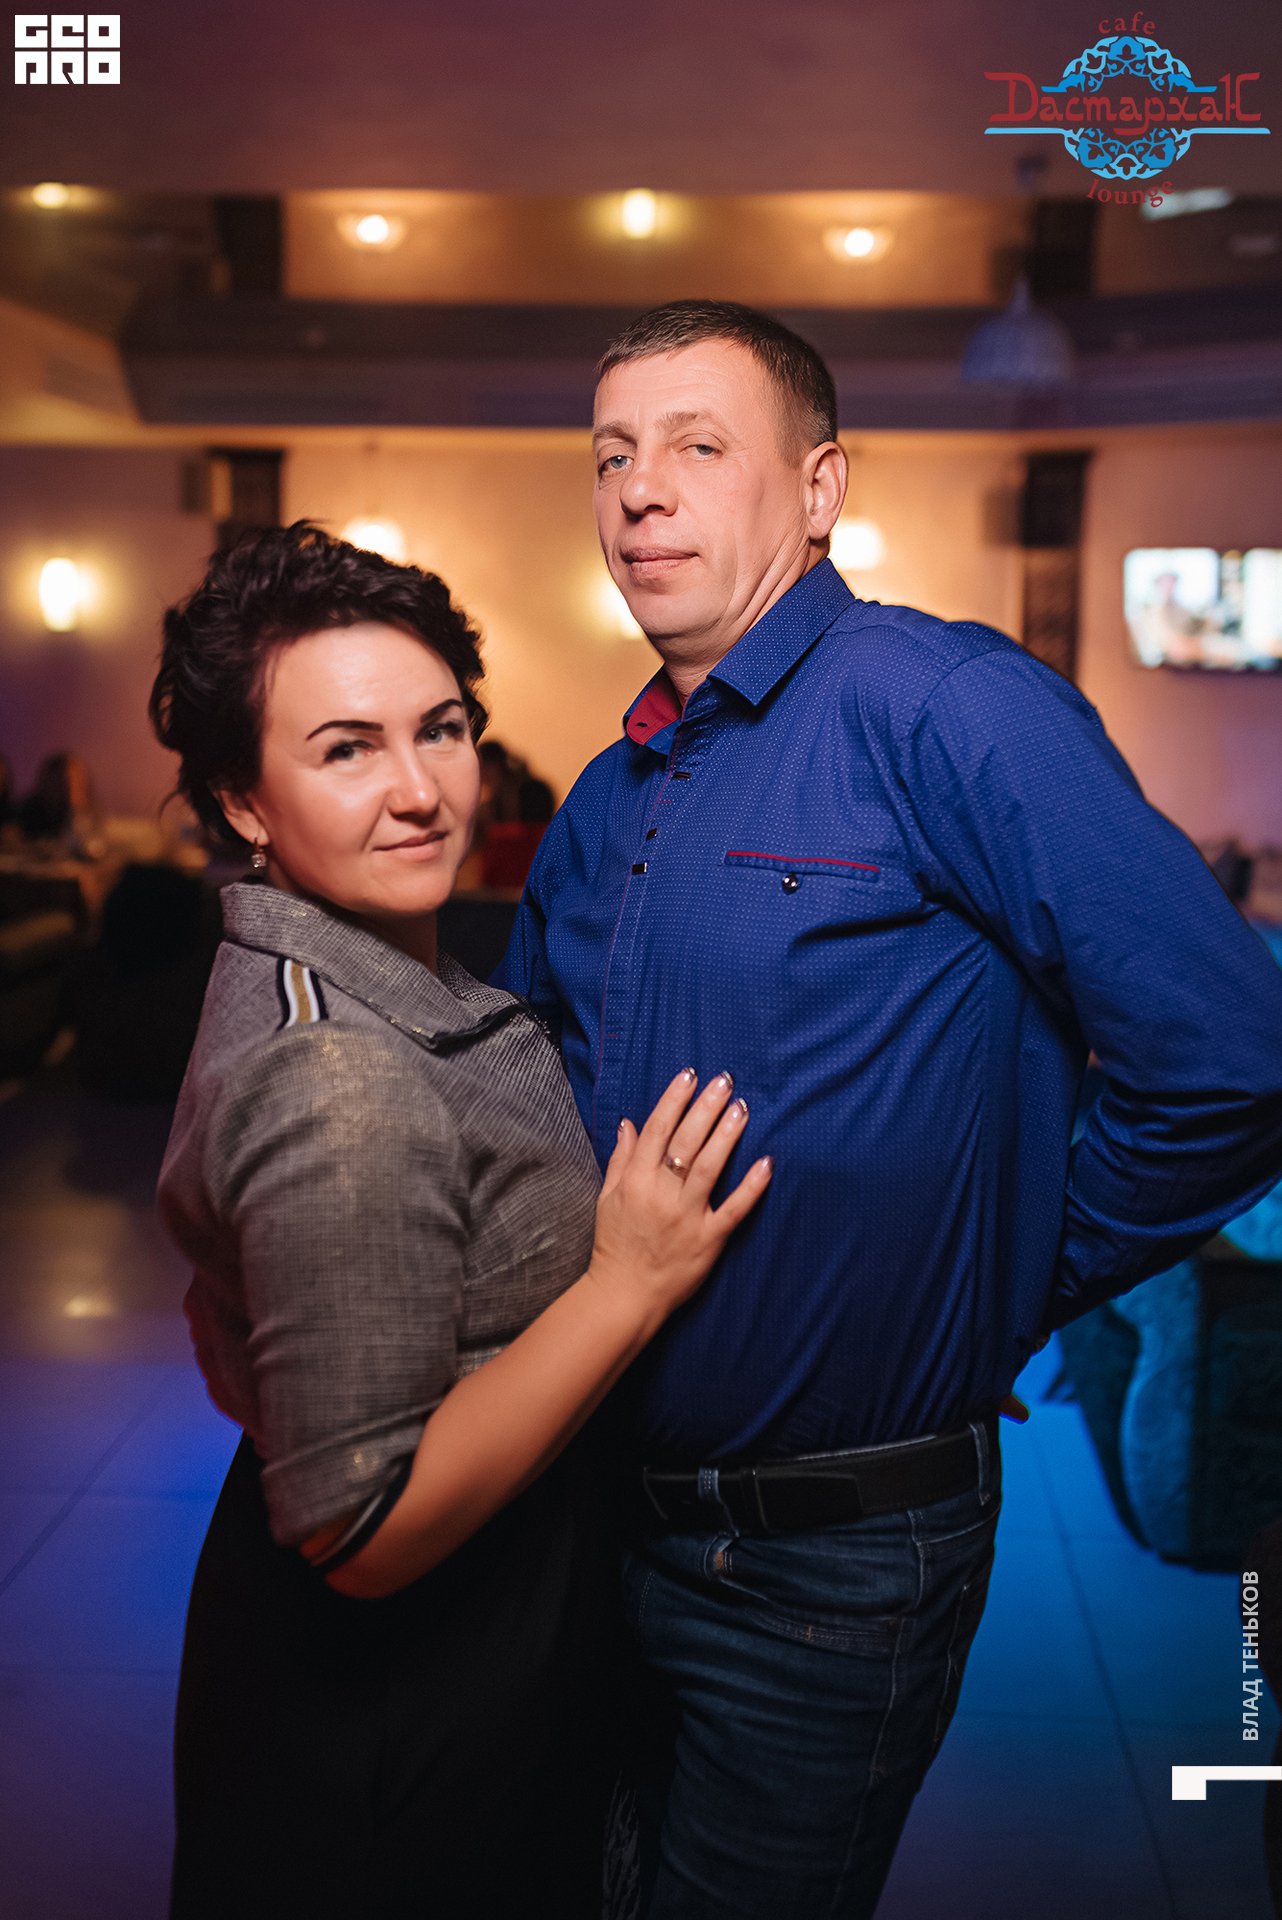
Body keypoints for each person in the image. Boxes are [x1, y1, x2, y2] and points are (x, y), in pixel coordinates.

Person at [493, 299, 1282, 1917]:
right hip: (585, 1515)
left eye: (696, 446)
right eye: (611, 456)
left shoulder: (943, 705)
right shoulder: (606, 794)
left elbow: (1231, 1056)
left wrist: (1015, 1275)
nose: (639, 491)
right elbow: (524, 1100)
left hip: (826, 1564)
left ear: (818, 487)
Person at [148, 522, 772, 1920]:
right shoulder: (339, 1075)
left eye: (440, 729)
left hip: (465, 1645)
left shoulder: (338, 970)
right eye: (346, 750)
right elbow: (362, 1527)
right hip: (407, 1701)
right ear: (245, 801)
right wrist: (627, 1282)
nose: (421, 791)